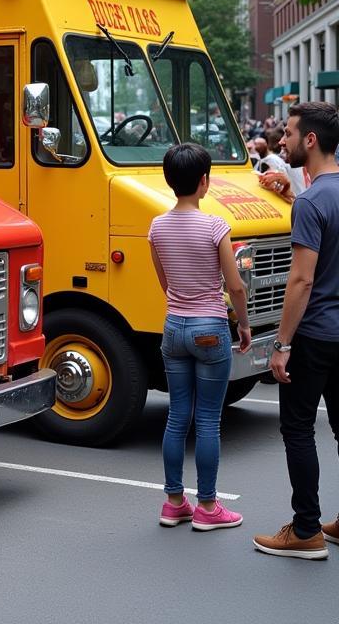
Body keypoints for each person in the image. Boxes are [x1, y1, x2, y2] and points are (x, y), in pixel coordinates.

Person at [149, 142, 252, 531]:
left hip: (174, 326)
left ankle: (174, 502)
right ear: (204, 182)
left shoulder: (157, 226)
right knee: (208, 420)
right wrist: (242, 325)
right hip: (210, 327)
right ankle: (208, 507)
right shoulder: (214, 226)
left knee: (177, 416)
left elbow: (164, 281)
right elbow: (235, 286)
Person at [253, 102, 339, 560]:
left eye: (288, 134)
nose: (281, 142)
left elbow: (302, 280)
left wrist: (282, 344)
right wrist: (292, 196)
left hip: (316, 335)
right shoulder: (315, 195)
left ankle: (306, 528)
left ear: (310, 140)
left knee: (299, 430)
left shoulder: (311, 201)